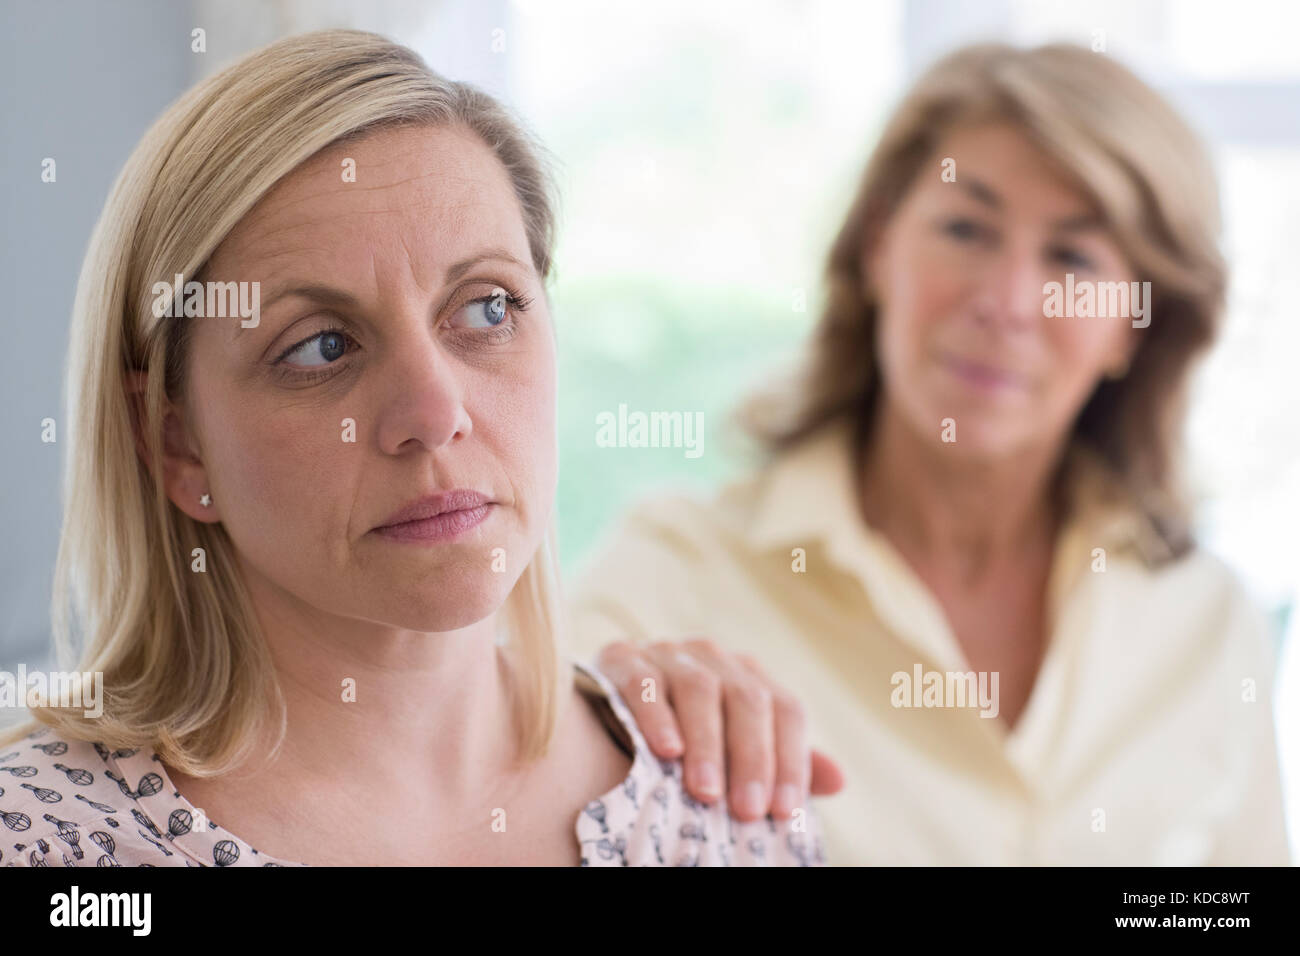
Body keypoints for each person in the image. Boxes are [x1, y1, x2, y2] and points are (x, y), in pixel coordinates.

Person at [0, 29, 825, 867]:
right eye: (322, 346)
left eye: (488, 308)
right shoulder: (48, 849)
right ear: (177, 445)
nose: (434, 412)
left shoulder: (721, 811)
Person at [569, 42, 1291, 865]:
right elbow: (492, 784)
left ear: (1137, 321)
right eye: (965, 228)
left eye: (1072, 257)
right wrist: (598, 722)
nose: (1006, 301)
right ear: (879, 246)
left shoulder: (1206, 620)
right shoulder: (673, 576)